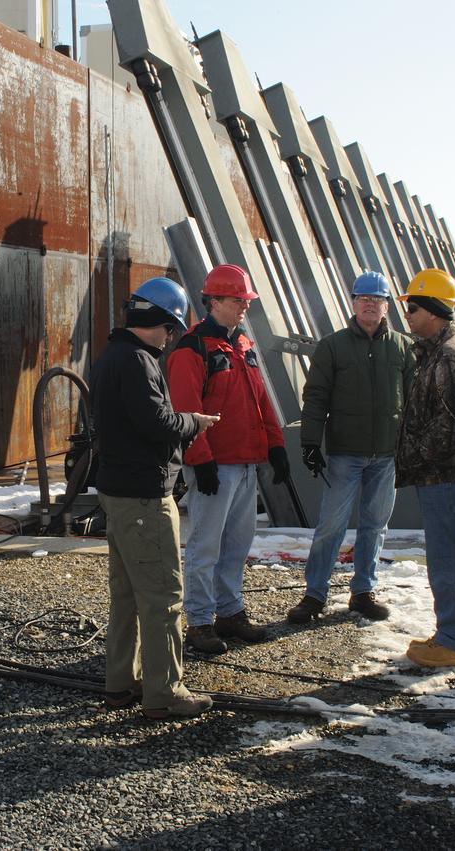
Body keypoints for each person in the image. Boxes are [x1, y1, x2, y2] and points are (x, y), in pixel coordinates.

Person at [90, 277, 220, 719]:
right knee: (164, 596)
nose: (171, 338)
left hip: (119, 491)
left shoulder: (113, 356)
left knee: (127, 594)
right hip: (144, 497)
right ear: (163, 323)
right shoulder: (138, 361)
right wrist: (194, 422)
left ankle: (120, 683)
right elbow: (158, 423)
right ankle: (164, 693)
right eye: (172, 329)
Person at [167, 264, 287, 654]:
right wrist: (200, 460)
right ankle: (200, 620)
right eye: (238, 301)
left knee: (237, 544)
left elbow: (261, 402)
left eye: (246, 301)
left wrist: (276, 446)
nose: (244, 308)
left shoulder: (242, 347)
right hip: (215, 466)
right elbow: (186, 409)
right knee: (206, 546)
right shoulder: (192, 349)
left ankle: (230, 612)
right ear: (214, 301)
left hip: (246, 463)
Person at [289, 271, 414, 624]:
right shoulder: (333, 346)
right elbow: (315, 397)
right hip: (346, 454)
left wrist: (410, 447)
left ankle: (363, 593)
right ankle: (314, 595)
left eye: (377, 300)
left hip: (386, 456)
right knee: (331, 525)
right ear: (353, 303)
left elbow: (414, 400)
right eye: (364, 299)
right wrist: (311, 443)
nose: (370, 305)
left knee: (375, 525)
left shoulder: (402, 347)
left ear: (386, 306)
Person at [393, 269, 455, 667]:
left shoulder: (448, 354)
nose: (407, 315)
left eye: (412, 307)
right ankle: (453, 631)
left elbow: (452, 426)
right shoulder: (441, 348)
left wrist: (410, 459)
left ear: (433, 310)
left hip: (446, 477)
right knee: (451, 556)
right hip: (445, 477)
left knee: (452, 559)